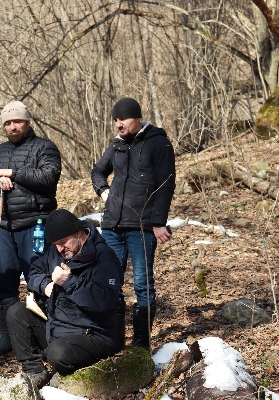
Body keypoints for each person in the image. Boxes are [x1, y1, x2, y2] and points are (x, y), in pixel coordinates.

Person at [0, 100, 61, 356]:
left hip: (35, 225)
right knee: (4, 281)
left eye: (18, 122)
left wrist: (12, 172)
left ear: (28, 122)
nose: (13, 127)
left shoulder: (44, 147)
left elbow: (48, 177)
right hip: (2, 226)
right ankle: (9, 336)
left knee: (39, 279)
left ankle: (45, 333)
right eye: (8, 123)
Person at [91, 97, 176, 350]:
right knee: (109, 281)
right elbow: (97, 171)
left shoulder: (158, 143)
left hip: (142, 226)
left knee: (142, 283)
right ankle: (113, 339)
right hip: (112, 226)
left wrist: (159, 222)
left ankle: (142, 344)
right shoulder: (116, 146)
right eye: (115, 120)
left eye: (123, 119)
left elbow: (166, 184)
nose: (119, 124)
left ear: (138, 118)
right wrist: (104, 191)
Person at [7, 209, 123, 388]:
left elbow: (104, 302)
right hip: (58, 326)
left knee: (58, 353)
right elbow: (34, 272)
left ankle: (65, 376)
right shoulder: (57, 253)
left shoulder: (104, 257)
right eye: (55, 244)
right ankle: (34, 371)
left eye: (63, 243)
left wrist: (69, 282)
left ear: (78, 233)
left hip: (94, 333)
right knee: (17, 312)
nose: (60, 249)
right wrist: (46, 286)